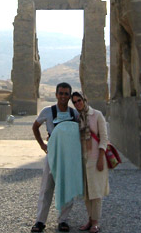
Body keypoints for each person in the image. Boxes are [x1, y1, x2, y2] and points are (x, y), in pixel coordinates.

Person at [31, 82, 79, 233]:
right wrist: (42, 145)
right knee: (46, 188)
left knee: (67, 188)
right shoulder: (48, 111)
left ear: (69, 96)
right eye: (61, 93)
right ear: (56, 94)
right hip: (53, 153)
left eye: (66, 94)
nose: (63, 96)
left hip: (68, 154)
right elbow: (35, 126)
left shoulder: (74, 113)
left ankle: (63, 220)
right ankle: (40, 221)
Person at [71, 92, 109, 233]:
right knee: (86, 192)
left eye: (79, 100)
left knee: (96, 192)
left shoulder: (97, 115)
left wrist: (101, 157)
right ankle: (90, 219)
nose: (77, 104)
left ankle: (96, 222)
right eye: (74, 102)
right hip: (83, 159)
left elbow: (104, 138)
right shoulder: (78, 118)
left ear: (84, 99)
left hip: (95, 158)